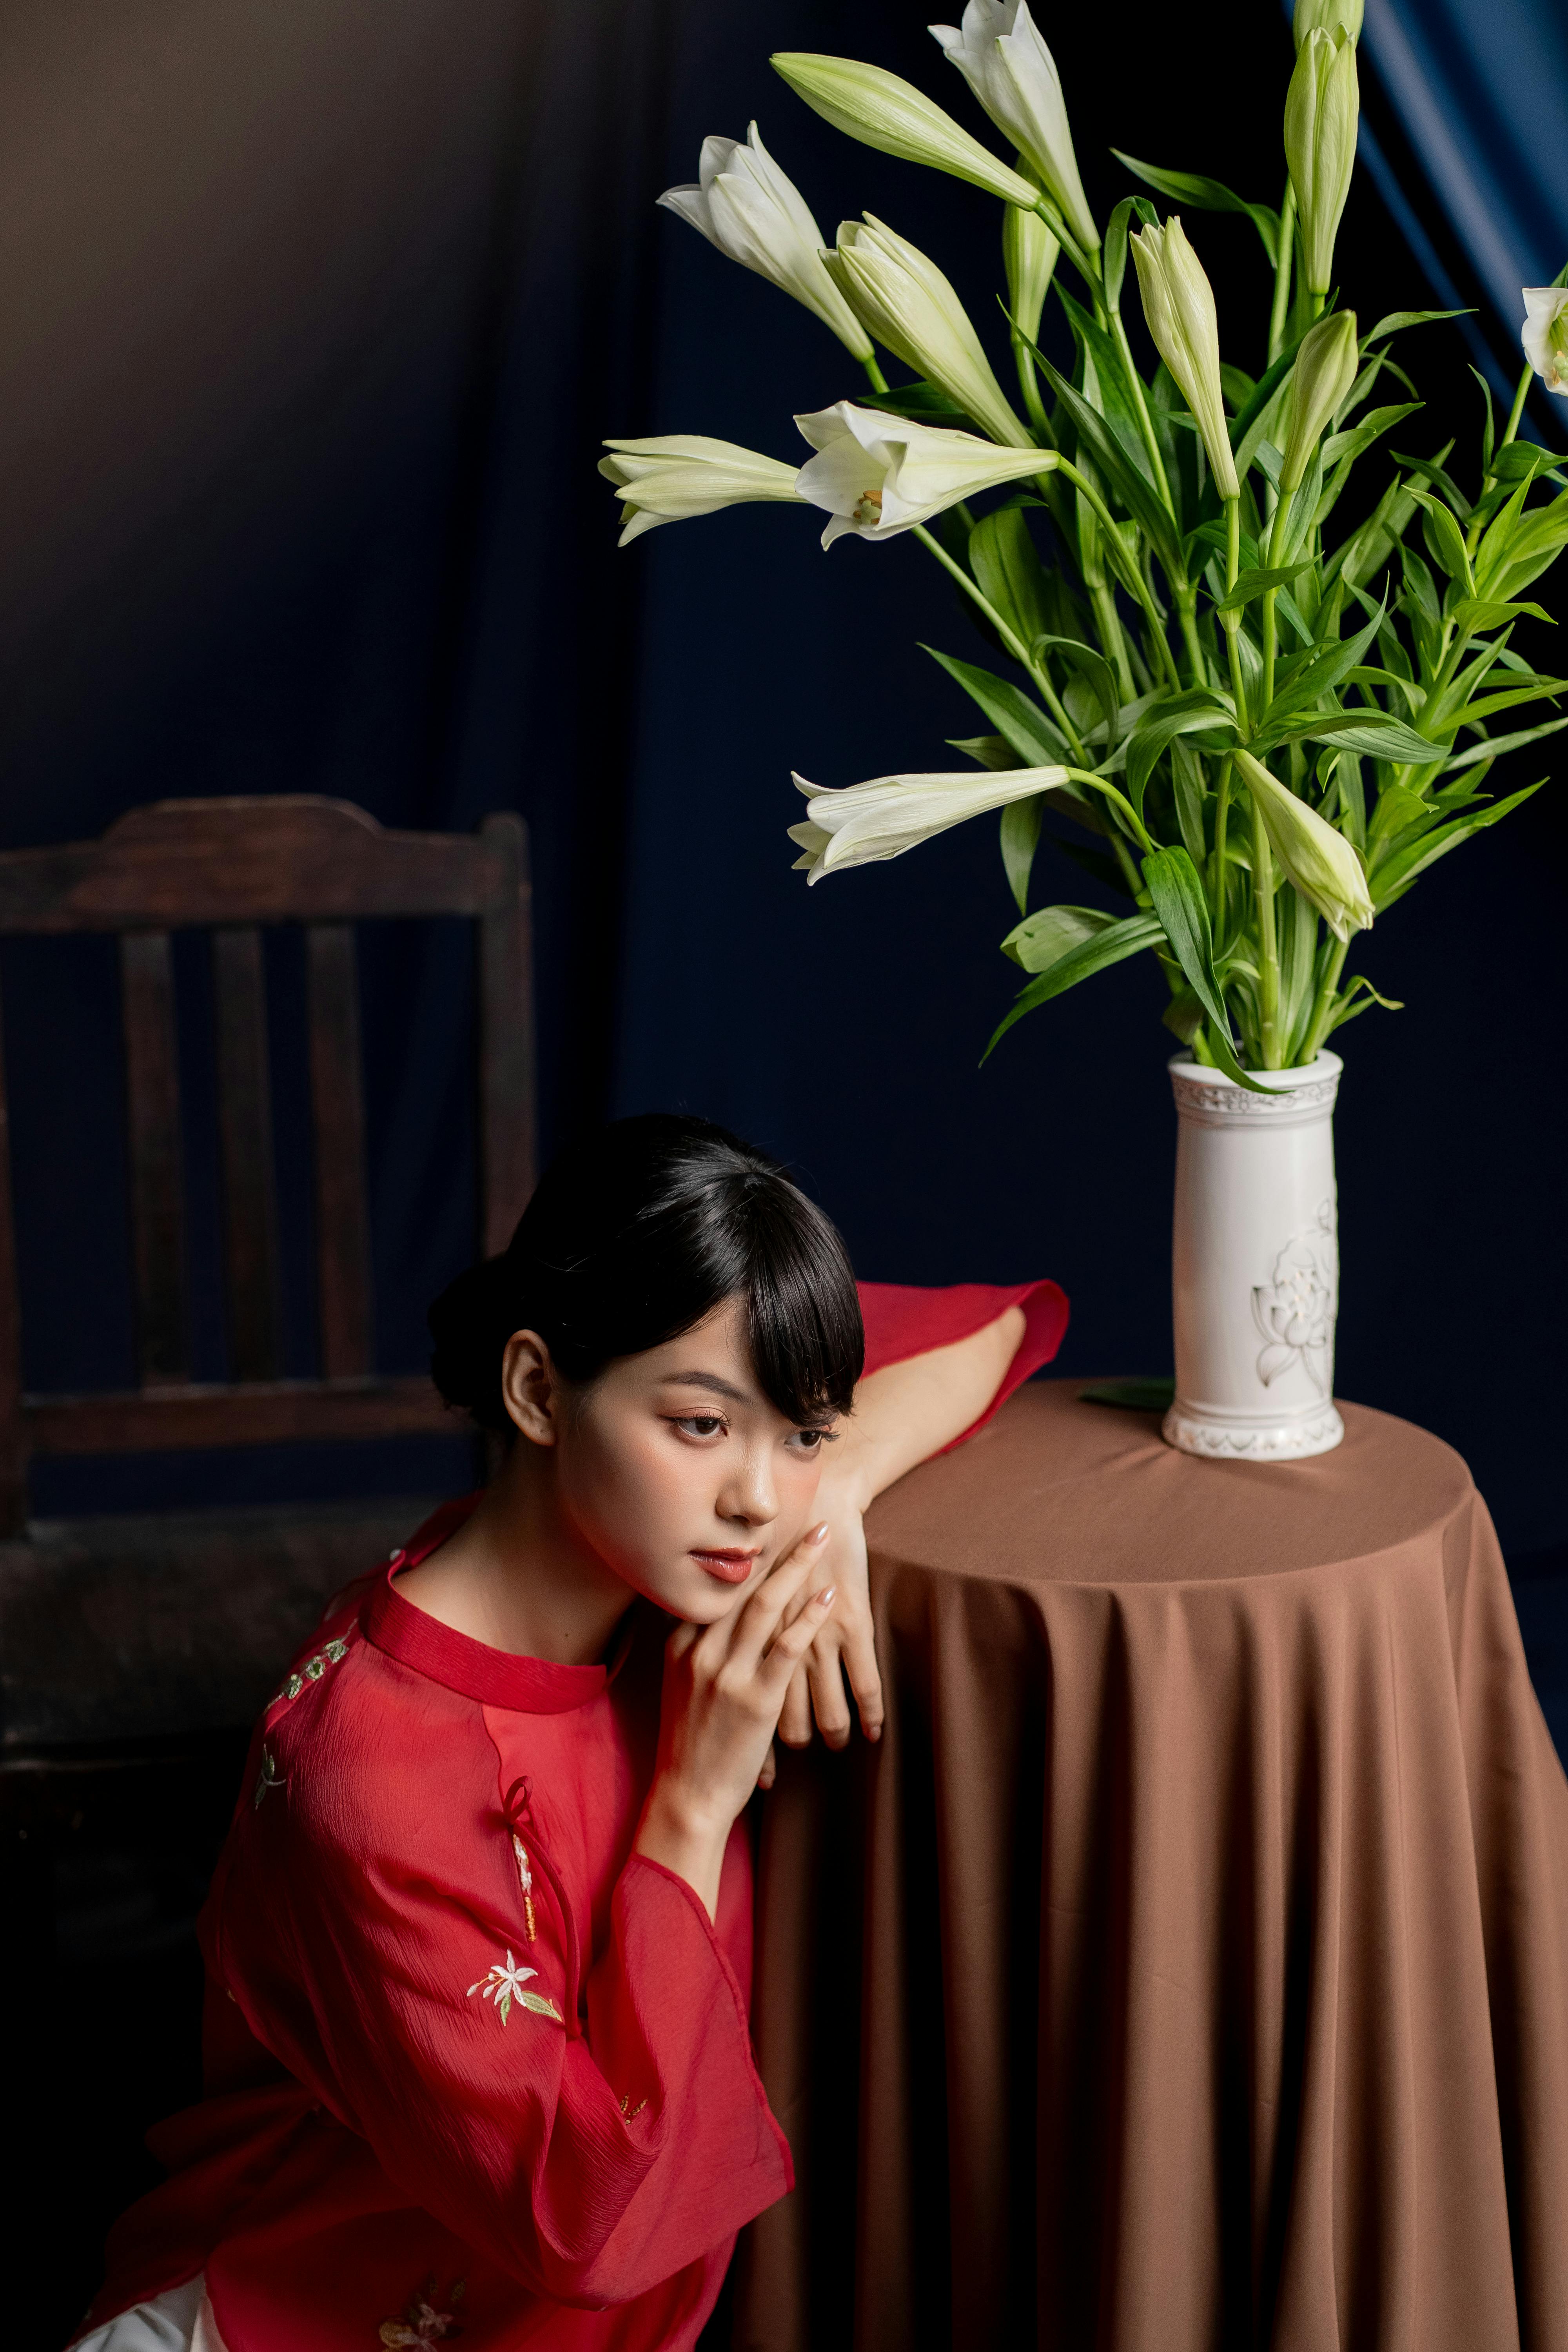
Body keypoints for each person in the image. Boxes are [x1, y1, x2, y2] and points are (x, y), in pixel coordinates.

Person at [74, 1114, 1066, 2352]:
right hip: (291, 2311)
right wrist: (692, 1808)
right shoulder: (373, 1775)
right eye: (701, 1427)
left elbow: (995, 1330)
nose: (758, 1500)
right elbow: (590, 2227)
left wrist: (843, 1495)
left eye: (802, 1433)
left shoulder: (661, 1548)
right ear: (539, 1391)